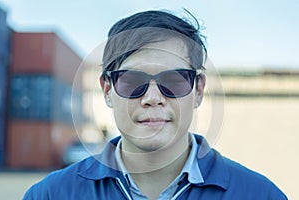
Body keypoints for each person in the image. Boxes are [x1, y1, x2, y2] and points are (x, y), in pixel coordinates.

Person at [23, 10, 287, 200]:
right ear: (107, 89)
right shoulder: (49, 195)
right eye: (131, 81)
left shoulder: (261, 195)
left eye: (173, 80)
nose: (152, 97)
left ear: (198, 90)